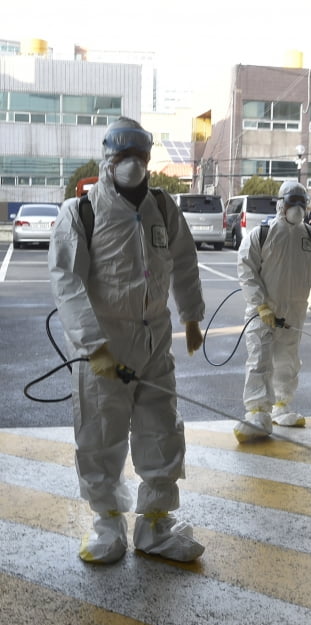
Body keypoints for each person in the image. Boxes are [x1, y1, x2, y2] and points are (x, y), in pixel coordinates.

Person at [48, 117, 206, 564]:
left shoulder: (162, 207)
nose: (133, 165)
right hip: (104, 344)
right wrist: (92, 344)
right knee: (100, 433)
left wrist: (191, 317)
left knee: (162, 430)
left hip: (155, 339)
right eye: (123, 157)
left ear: (149, 159)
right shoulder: (82, 212)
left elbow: (185, 261)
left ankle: (155, 525)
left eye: (140, 156)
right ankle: (107, 524)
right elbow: (67, 281)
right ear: (108, 158)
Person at [233, 180, 311, 442]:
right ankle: (256, 413)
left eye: (302, 202)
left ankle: (281, 407)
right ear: (281, 204)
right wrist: (260, 303)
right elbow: (246, 268)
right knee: (259, 361)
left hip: (294, 313)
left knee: (288, 361)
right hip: (263, 312)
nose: (297, 208)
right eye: (292, 202)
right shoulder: (262, 234)